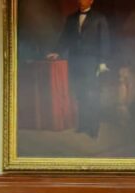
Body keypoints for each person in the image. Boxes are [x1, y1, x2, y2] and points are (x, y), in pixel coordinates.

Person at [47, 0, 110, 138]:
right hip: (75, 61)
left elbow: (104, 41)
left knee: (92, 94)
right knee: (80, 93)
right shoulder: (71, 18)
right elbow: (64, 38)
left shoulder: (100, 18)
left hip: (91, 61)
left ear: (91, 1)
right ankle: (83, 125)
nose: (82, 1)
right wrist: (57, 51)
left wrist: (102, 62)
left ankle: (93, 127)